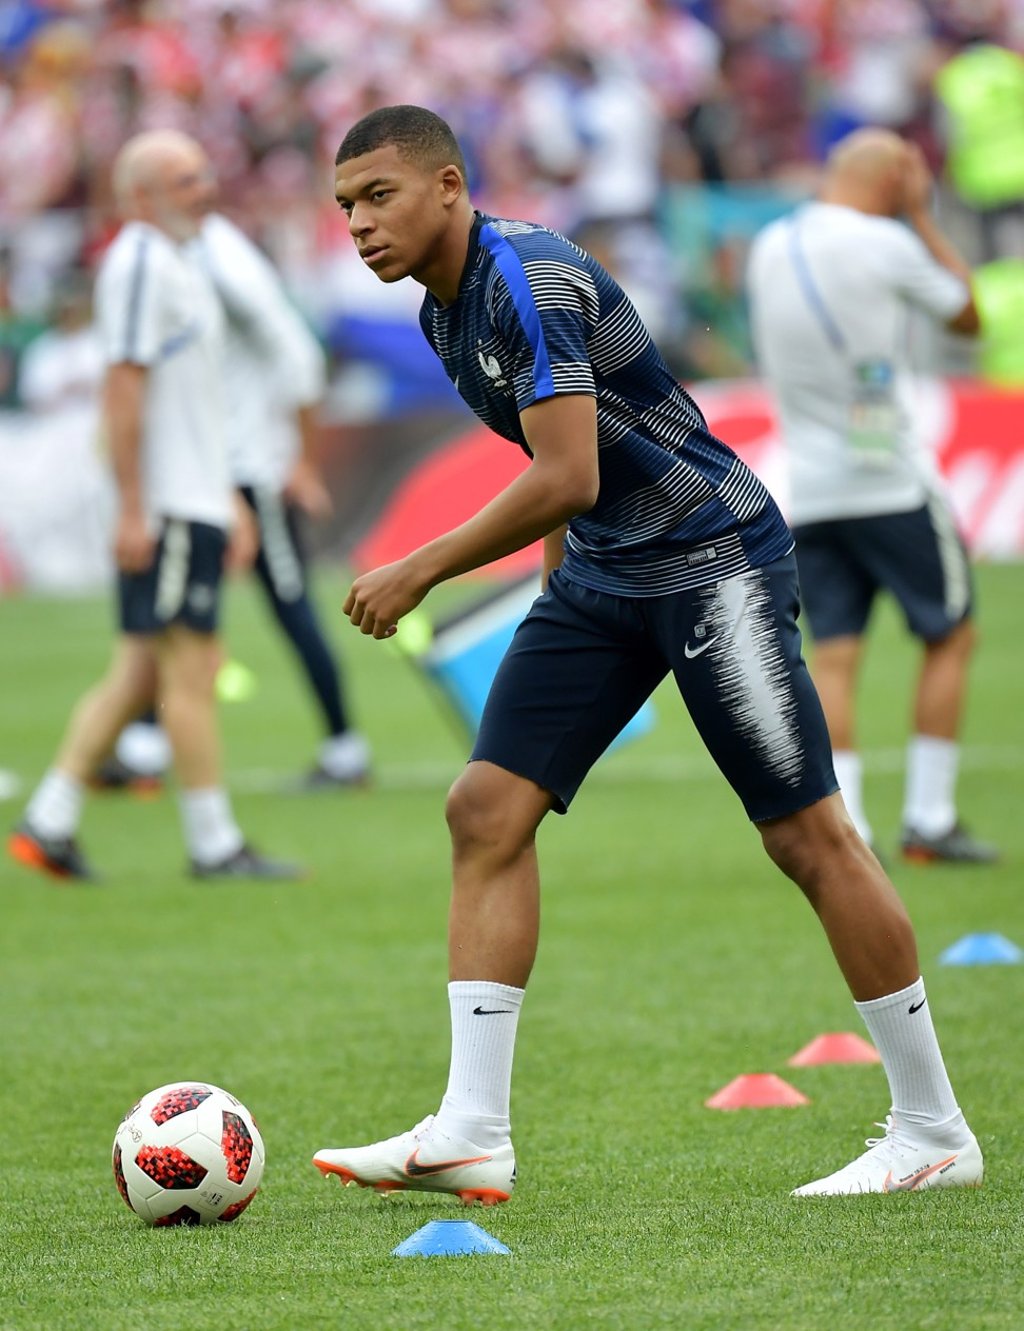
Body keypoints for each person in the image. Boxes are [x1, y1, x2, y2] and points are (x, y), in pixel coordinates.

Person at [311, 105, 982, 1201]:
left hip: (714, 560)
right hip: (604, 575)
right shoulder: (442, 307)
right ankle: (472, 1130)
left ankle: (934, 1130)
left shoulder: (527, 278)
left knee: (807, 836)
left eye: (378, 195)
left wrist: (419, 567)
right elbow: (560, 467)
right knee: (484, 810)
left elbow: (567, 472)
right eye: (345, 205)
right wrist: (556, 598)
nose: (359, 224)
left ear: (449, 185)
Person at [8, 129, 300, 882]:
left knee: (140, 669)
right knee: (190, 672)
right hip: (169, 507)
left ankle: (49, 821)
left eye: (204, 175)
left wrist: (228, 500)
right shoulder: (139, 263)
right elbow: (124, 386)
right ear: (139, 197)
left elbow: (190, 403)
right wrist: (135, 506)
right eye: (184, 180)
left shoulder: (176, 263)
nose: (204, 190)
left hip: (192, 500)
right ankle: (214, 843)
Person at [746, 128, 997, 865]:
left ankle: (848, 826)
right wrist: (920, 216)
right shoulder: (886, 243)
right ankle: (930, 817)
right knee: (951, 635)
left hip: (810, 487)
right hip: (889, 477)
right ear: (894, 181)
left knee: (833, 655)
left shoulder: (771, 244)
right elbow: (968, 314)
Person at [96, 199, 371, 793]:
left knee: (287, 609)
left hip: (250, 471)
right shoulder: (175, 257)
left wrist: (302, 463)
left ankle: (345, 748)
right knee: (181, 613)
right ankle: (145, 749)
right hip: (203, 470)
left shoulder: (219, 260)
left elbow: (299, 357)